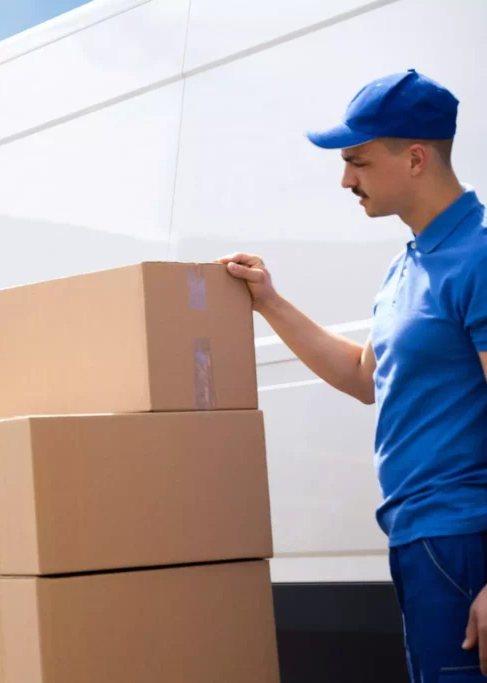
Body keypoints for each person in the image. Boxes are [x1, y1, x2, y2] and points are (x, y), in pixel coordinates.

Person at [221, 69, 487, 681]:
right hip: (421, 542)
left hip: (467, 542)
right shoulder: (408, 264)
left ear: (416, 158)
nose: (346, 180)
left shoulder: (477, 255)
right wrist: (268, 300)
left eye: (358, 162)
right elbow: (368, 377)